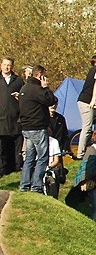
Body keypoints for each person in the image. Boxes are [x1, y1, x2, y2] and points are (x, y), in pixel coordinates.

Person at [18, 65, 57, 193]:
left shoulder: (24, 88)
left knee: (29, 157)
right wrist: (46, 88)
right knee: (42, 157)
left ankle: (24, 185)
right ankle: (36, 186)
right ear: (40, 75)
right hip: (37, 128)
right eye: (44, 75)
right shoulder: (37, 89)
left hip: (26, 128)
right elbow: (51, 100)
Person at [0, 56, 24, 175]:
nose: (6, 67)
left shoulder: (18, 81)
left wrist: (20, 97)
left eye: (9, 65)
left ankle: (16, 169)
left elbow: (24, 97)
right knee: (2, 148)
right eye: (4, 64)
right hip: (1, 120)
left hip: (16, 120)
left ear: (12, 67)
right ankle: (3, 170)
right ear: (1, 65)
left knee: (15, 148)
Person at [76, 54, 96, 158]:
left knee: (95, 124)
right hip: (86, 102)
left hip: (89, 101)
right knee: (87, 127)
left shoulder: (94, 70)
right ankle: (80, 153)